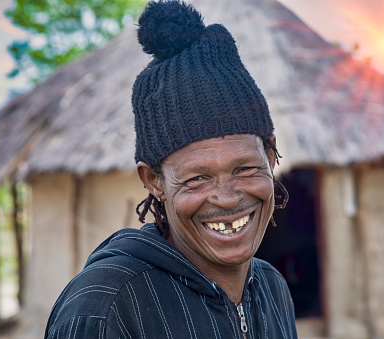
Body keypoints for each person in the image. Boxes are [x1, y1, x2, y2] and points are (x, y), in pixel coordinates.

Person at [45, 0, 297, 338]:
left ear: (270, 156)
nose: (225, 198)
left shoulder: (272, 288)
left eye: (245, 168)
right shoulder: (104, 309)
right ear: (154, 181)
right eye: (197, 178)